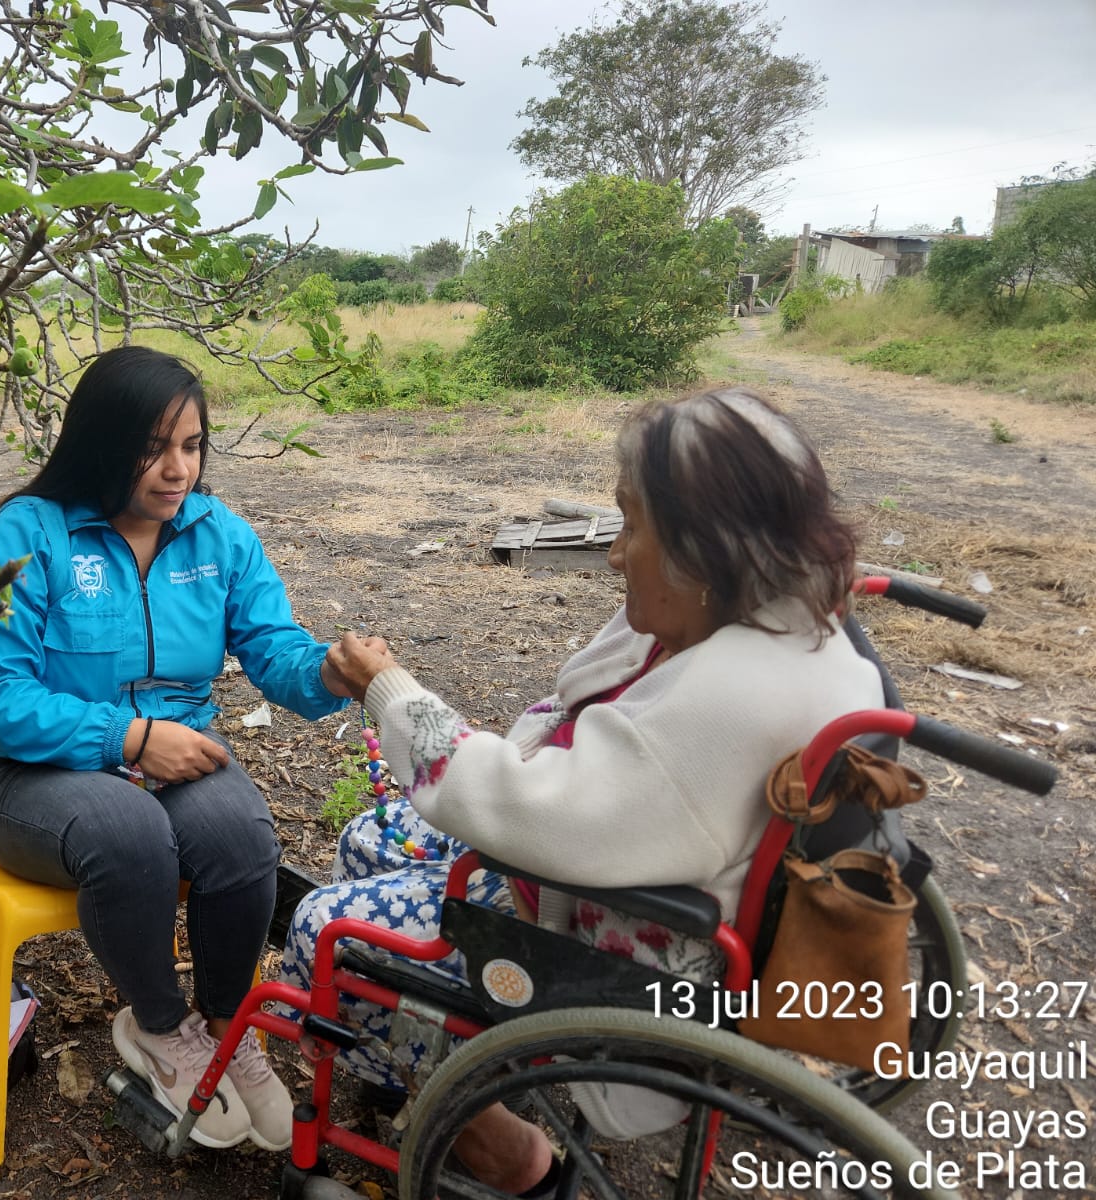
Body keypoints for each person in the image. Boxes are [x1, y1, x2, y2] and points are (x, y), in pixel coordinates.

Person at [285, 387, 886, 1196]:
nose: (613, 554)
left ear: (702, 549)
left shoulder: (723, 703)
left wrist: (389, 690)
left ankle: (507, 1154)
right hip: (621, 874)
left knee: (326, 931)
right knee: (369, 840)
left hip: (607, 951)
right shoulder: (766, 615)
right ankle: (419, 1052)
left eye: (632, 526)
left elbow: (520, 808)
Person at [0, 345, 356, 1152]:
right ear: (100, 443)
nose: (179, 470)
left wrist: (327, 671)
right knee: (130, 833)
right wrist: (128, 737)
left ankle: (225, 1023)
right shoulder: (21, 535)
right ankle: (160, 1026)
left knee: (242, 836)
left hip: (178, 750)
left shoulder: (219, 535)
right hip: (32, 776)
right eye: (153, 448)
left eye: (192, 445)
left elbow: (272, 644)